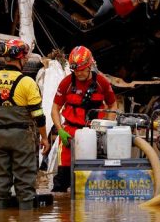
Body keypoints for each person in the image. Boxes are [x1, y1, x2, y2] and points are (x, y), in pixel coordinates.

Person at [0, 38, 50, 210]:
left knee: (0, 180)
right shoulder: (27, 82)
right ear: (22, 59)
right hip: (22, 138)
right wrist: (45, 138)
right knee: (25, 182)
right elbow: (38, 115)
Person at [50, 46, 116, 192]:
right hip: (69, 134)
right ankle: (62, 212)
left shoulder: (102, 83)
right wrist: (60, 130)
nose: (78, 73)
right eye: (76, 70)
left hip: (95, 133)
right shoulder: (66, 82)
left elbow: (112, 104)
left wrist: (108, 126)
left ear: (90, 66)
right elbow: (55, 108)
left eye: (82, 70)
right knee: (62, 179)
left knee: (93, 178)